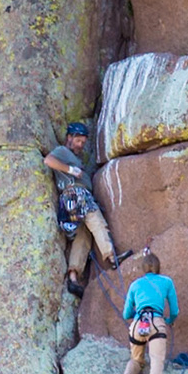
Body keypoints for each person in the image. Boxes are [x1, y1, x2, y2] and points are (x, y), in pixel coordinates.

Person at [44, 121, 124, 297]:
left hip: (70, 204)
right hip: (77, 195)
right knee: (96, 221)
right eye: (78, 140)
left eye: (83, 142)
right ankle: (111, 257)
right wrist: (70, 169)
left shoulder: (77, 159)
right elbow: (48, 160)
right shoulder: (63, 152)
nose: (80, 145)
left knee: (84, 236)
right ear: (69, 138)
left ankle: (73, 276)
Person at [114, 250, 179, 374]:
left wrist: (136, 312)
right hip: (156, 323)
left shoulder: (135, 284)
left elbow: (126, 314)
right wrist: (169, 320)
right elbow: (175, 310)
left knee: (137, 359)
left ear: (143, 268)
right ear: (158, 267)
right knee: (156, 359)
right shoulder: (166, 282)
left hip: (137, 324)